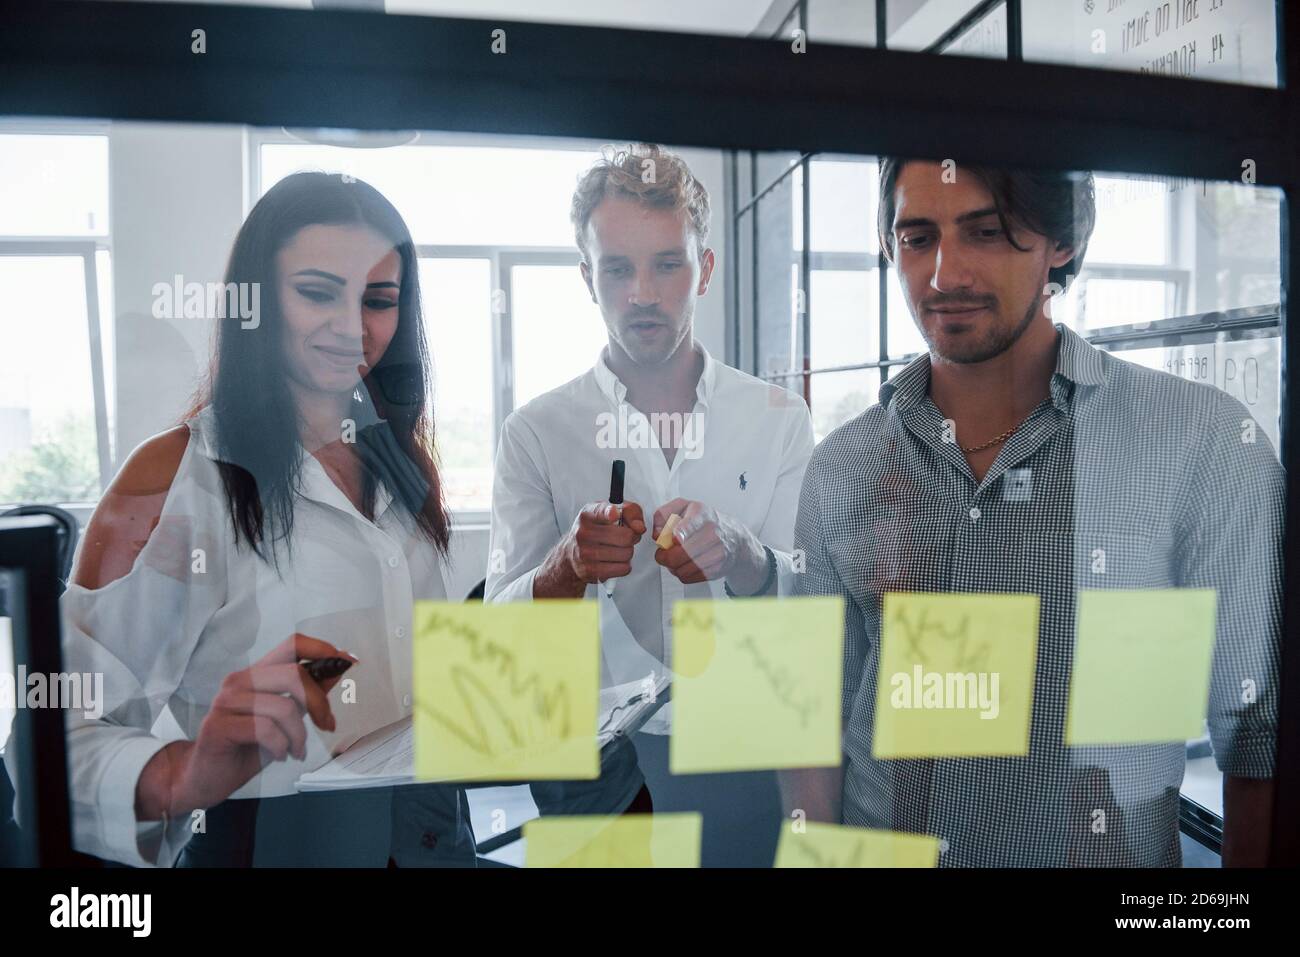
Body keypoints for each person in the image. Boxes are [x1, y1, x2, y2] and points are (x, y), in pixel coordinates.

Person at [784, 159, 1282, 867]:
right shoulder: (846, 463)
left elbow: (1256, 736)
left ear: (1063, 240)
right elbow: (811, 719)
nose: (943, 275)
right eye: (918, 238)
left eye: (985, 232)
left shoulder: (1200, 442)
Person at [57, 172, 475, 867]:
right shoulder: (177, 476)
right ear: (256, 301)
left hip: (433, 839)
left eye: (378, 299)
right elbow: (49, 733)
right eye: (317, 292)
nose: (351, 327)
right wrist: (182, 771)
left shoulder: (400, 462)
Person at [485, 144, 815, 866]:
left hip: (746, 753)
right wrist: (563, 569)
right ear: (586, 277)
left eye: (668, 264)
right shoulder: (535, 432)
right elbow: (500, 642)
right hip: (595, 771)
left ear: (705, 269)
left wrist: (746, 556)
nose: (642, 291)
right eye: (617, 267)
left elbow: (813, 604)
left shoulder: (780, 418)